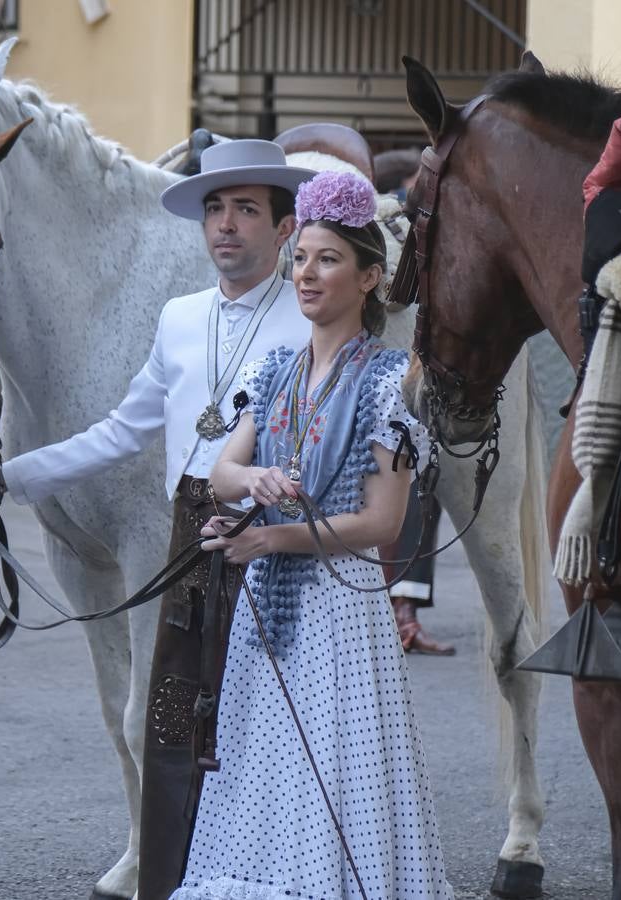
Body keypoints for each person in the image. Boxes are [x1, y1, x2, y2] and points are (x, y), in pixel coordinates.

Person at [0, 139, 316, 900]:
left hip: (284, 552)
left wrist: (278, 524)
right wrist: (10, 475)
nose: (225, 226)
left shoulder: (313, 318)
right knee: (173, 724)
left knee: (276, 736)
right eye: (215, 208)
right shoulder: (181, 317)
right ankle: (177, 869)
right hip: (189, 549)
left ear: (285, 230)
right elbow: (120, 433)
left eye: (246, 209)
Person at [171, 170, 453, 899]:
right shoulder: (274, 373)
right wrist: (258, 482)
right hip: (273, 605)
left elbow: (382, 523)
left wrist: (272, 540)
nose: (305, 273)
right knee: (263, 760)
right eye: (299, 258)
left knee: (332, 762)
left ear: (368, 278)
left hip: (340, 612)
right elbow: (224, 473)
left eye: (327, 259)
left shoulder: (390, 382)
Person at [371, 146, 456, 656]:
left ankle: (402, 612)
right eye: (406, 191)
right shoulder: (386, 235)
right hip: (387, 384)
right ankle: (398, 615)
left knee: (424, 492)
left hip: (409, 379)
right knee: (413, 493)